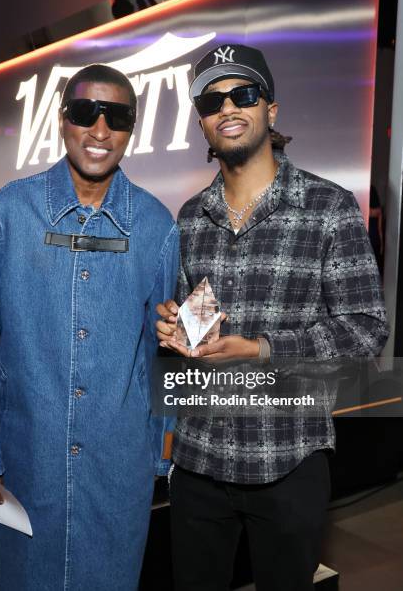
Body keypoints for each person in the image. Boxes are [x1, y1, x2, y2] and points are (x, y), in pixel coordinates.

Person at [156, 44, 389, 591]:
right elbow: (197, 321)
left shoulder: (328, 207)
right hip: (198, 462)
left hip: (289, 457)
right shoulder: (190, 218)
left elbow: (365, 328)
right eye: (213, 102)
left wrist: (260, 348)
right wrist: (176, 328)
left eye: (244, 93)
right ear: (203, 124)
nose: (229, 108)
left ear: (271, 110)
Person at [0, 64, 179, 591]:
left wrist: (159, 453)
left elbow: (161, 354)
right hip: (24, 463)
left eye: (117, 117)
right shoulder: (8, 213)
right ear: (63, 120)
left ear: (131, 128)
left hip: (118, 471)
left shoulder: (157, 227)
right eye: (85, 112)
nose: (99, 130)